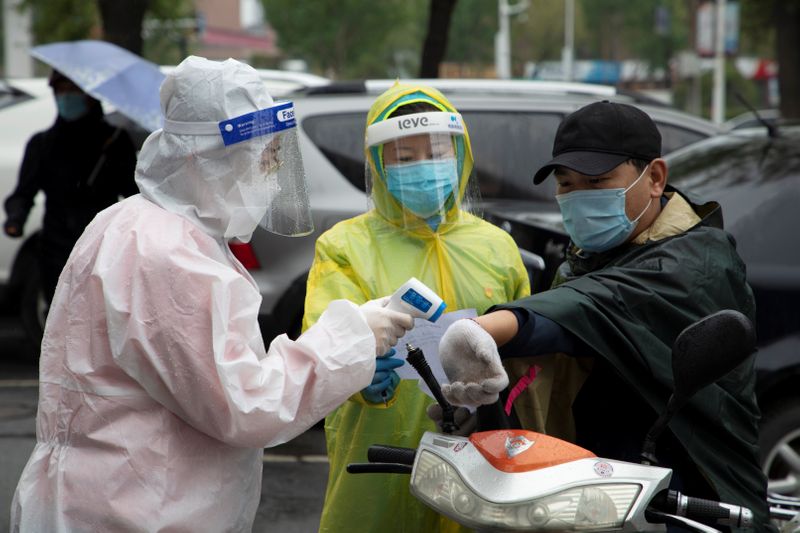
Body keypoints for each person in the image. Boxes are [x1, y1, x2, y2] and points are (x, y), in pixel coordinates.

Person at [10, 56, 415, 533]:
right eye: (262, 158)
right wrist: (353, 337)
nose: (270, 173)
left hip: (110, 497)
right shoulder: (166, 254)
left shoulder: (134, 224)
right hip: (136, 511)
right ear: (203, 157)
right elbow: (246, 404)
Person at [436, 100, 771, 530]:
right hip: (600, 496)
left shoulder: (696, 263)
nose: (578, 197)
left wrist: (483, 328)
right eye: (567, 184)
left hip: (694, 502)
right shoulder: (587, 259)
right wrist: (487, 411)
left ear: (654, 178)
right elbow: (560, 363)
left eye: (597, 181)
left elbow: (586, 310)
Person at [303, 82, 530, 532]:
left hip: (481, 453)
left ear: (460, 155)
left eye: (437, 152)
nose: (424, 168)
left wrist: (503, 389)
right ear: (378, 166)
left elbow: (528, 348)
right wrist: (358, 376)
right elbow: (320, 343)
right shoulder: (344, 246)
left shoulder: (495, 246)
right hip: (378, 454)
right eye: (404, 159)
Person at [3, 69, 139, 304]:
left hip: (101, 244)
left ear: (89, 95)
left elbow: (132, 193)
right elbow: (23, 193)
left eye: (73, 90)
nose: (66, 97)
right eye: (61, 90)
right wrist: (16, 219)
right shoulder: (42, 144)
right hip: (55, 246)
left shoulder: (114, 141)